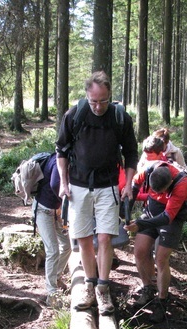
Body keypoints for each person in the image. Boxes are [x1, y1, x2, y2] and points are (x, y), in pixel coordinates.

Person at [56, 71, 138, 315]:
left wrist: (129, 183)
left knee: (104, 237)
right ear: (87, 96)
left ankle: (103, 289)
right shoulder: (74, 115)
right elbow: (61, 150)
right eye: (94, 101)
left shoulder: (119, 117)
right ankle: (89, 286)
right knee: (82, 238)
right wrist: (63, 182)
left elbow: (132, 153)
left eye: (103, 100)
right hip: (78, 185)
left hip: (109, 185)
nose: (98, 106)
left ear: (109, 96)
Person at [124, 161, 187, 322]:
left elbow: (168, 217)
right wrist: (125, 213)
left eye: (161, 191)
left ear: (169, 184)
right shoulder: (149, 170)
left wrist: (140, 224)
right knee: (140, 251)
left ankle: (162, 301)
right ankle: (148, 288)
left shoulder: (182, 183)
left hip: (171, 220)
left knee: (160, 258)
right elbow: (133, 185)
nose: (157, 193)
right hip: (150, 212)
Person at [32, 152, 71, 307]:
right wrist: (65, 202)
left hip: (54, 211)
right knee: (53, 250)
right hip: (43, 210)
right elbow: (56, 184)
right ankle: (51, 294)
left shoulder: (66, 160)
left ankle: (55, 277)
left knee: (67, 245)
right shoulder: (57, 161)